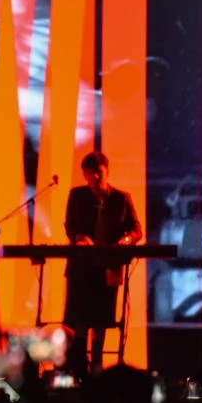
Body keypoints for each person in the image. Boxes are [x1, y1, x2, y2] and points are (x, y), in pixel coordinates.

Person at [63, 151, 142, 378]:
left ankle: (97, 373)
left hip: (107, 268)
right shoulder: (77, 196)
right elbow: (71, 227)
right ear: (85, 176)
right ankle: (78, 372)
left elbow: (137, 230)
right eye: (90, 173)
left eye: (99, 172)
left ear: (107, 171)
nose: (96, 177)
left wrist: (126, 240)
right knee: (79, 324)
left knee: (99, 324)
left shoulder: (121, 198)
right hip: (81, 268)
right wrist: (80, 238)